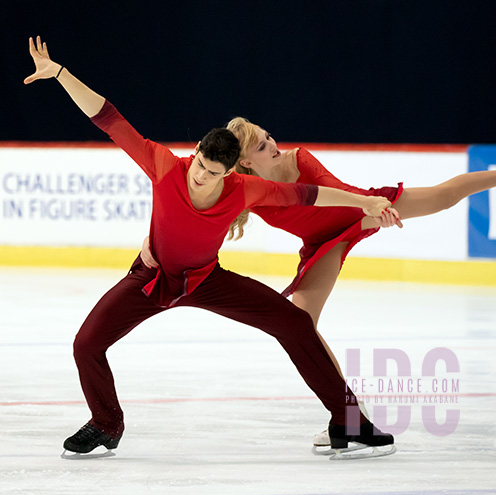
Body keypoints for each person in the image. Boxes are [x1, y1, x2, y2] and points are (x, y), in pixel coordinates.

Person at [24, 36, 399, 460]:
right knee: (85, 344)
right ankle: (106, 423)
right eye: (201, 165)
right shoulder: (165, 165)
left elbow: (308, 195)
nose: (202, 177)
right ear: (197, 151)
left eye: (214, 173)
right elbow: (108, 118)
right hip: (153, 278)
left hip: (207, 281)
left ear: (229, 172)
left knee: (294, 322)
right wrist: (59, 74)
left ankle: (349, 421)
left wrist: (362, 201)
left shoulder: (242, 190)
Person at [142, 116, 496, 448]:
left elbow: (333, 189)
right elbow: (191, 215)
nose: (273, 145)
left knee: (443, 197)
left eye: (269, 136)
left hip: (359, 210)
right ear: (244, 161)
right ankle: (349, 413)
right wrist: (154, 243)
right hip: (322, 243)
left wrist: (371, 209)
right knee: (300, 325)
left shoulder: (298, 158)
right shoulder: (243, 189)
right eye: (261, 145)